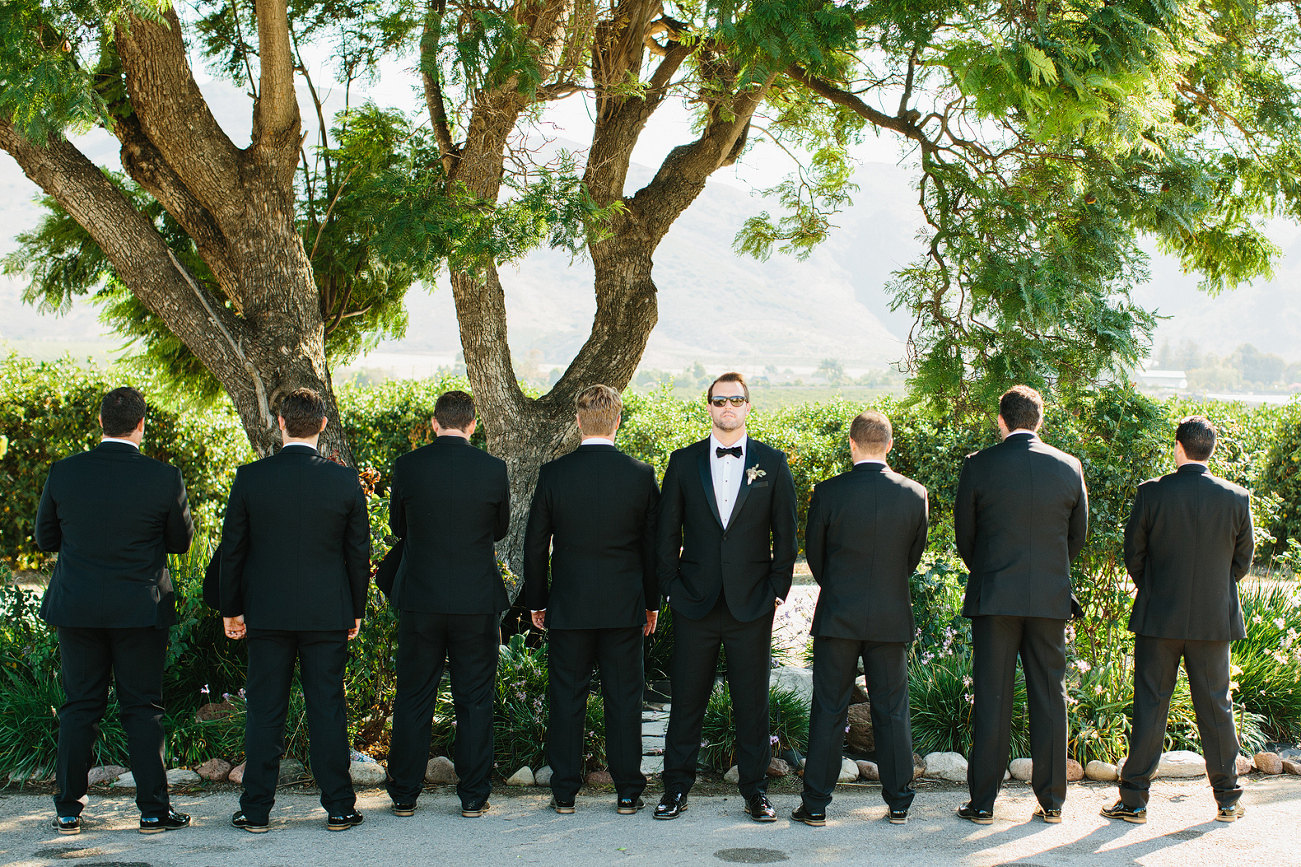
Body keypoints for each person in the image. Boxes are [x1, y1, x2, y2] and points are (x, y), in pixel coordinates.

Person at [36, 386, 195, 835]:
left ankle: (68, 809)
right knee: (142, 708)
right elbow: (180, 543)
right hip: (140, 608)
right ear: (141, 425)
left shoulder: (64, 473)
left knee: (79, 707)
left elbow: (46, 538)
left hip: (78, 607)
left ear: (100, 422)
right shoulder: (164, 477)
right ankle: (152, 811)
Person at [220, 388, 370, 833]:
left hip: (266, 612)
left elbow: (233, 550)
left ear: (280, 424)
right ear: (323, 425)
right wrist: (355, 610)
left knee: (265, 710)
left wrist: (232, 609)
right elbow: (357, 553)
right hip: (326, 613)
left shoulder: (251, 477)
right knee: (327, 708)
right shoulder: (344, 480)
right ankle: (340, 807)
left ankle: (256, 811)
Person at [654, 372, 798, 822]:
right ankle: (675, 787)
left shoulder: (772, 464)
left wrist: (776, 590)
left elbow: (787, 535)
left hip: (751, 604)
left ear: (748, 406)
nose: (728, 407)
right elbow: (664, 534)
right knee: (687, 700)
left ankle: (755, 791)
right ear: (710, 407)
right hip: (694, 601)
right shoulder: (682, 462)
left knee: (752, 703)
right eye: (720, 401)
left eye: (736, 400)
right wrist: (673, 587)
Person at [1102, 416, 1253, 825]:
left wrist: (1157, 588)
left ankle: (1133, 801)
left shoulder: (1152, 493)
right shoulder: (1237, 497)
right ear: (1211, 449)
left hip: (1159, 618)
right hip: (1212, 620)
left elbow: (1135, 553)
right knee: (1216, 707)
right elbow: (1240, 563)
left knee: (1151, 705)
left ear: (1178, 447)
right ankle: (1227, 800)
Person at [954, 385, 1088, 825]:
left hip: (995, 597)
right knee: (1051, 696)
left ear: (1001, 420)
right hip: (1049, 598)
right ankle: (1051, 801)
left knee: (993, 697)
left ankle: (983, 804)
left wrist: (992, 569)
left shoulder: (978, 466)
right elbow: (1076, 537)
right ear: (1039, 420)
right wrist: (1048, 571)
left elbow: (965, 538)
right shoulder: (1069, 466)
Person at [524, 385, 660, 815]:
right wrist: (652, 603)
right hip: (624, 608)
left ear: (579, 421)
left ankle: (564, 791)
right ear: (617, 420)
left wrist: (538, 601)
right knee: (624, 699)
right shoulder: (640, 475)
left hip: (569, 605)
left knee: (567, 698)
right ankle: (627, 791)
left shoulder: (554, 474)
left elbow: (534, 546)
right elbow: (654, 549)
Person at [794, 411, 928, 827]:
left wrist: (839, 588)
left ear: (851, 444)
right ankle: (900, 802)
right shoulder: (914, 493)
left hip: (838, 615)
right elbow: (912, 556)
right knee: (892, 710)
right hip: (890, 615)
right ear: (889, 445)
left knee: (829, 709)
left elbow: (814, 554)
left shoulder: (829, 492)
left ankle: (815, 803)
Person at [385, 390, 510, 819]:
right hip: (476, 600)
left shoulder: (408, 466)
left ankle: (404, 793)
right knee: (475, 699)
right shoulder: (493, 469)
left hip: (421, 598)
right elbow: (500, 529)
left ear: (435, 423)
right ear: (473, 425)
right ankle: (474, 795)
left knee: (414, 696)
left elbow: (397, 525)